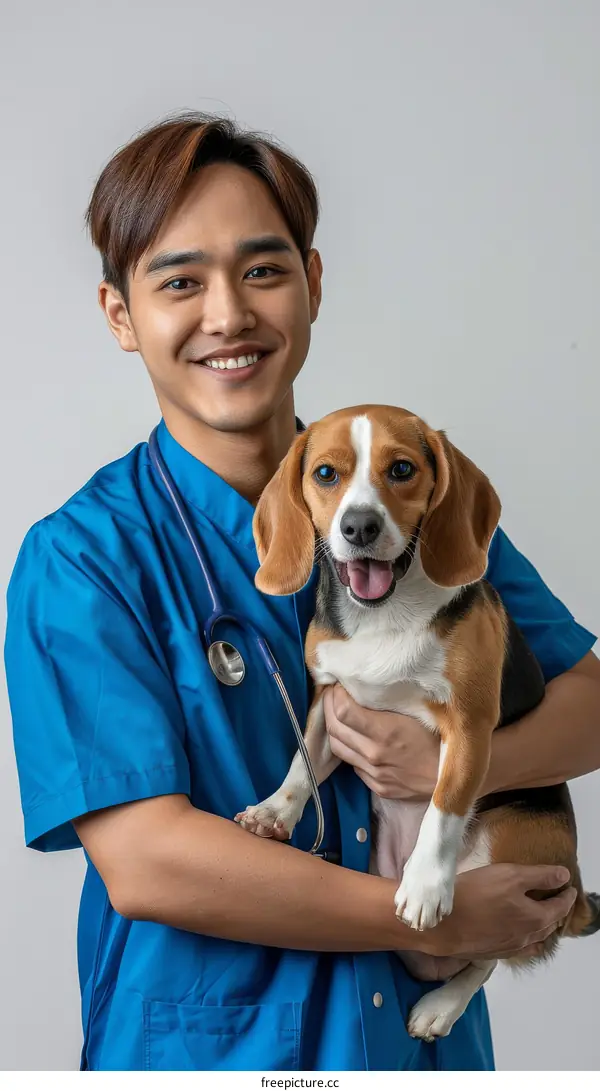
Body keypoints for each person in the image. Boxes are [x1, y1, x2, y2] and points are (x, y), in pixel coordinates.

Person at [4, 111, 600, 1073]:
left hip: (416, 1051)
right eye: (181, 281)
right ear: (121, 315)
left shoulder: (413, 492)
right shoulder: (82, 561)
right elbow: (148, 860)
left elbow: (590, 703)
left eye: (264, 270)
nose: (230, 314)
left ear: (314, 283)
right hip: (217, 1050)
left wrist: (447, 767)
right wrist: (438, 916)